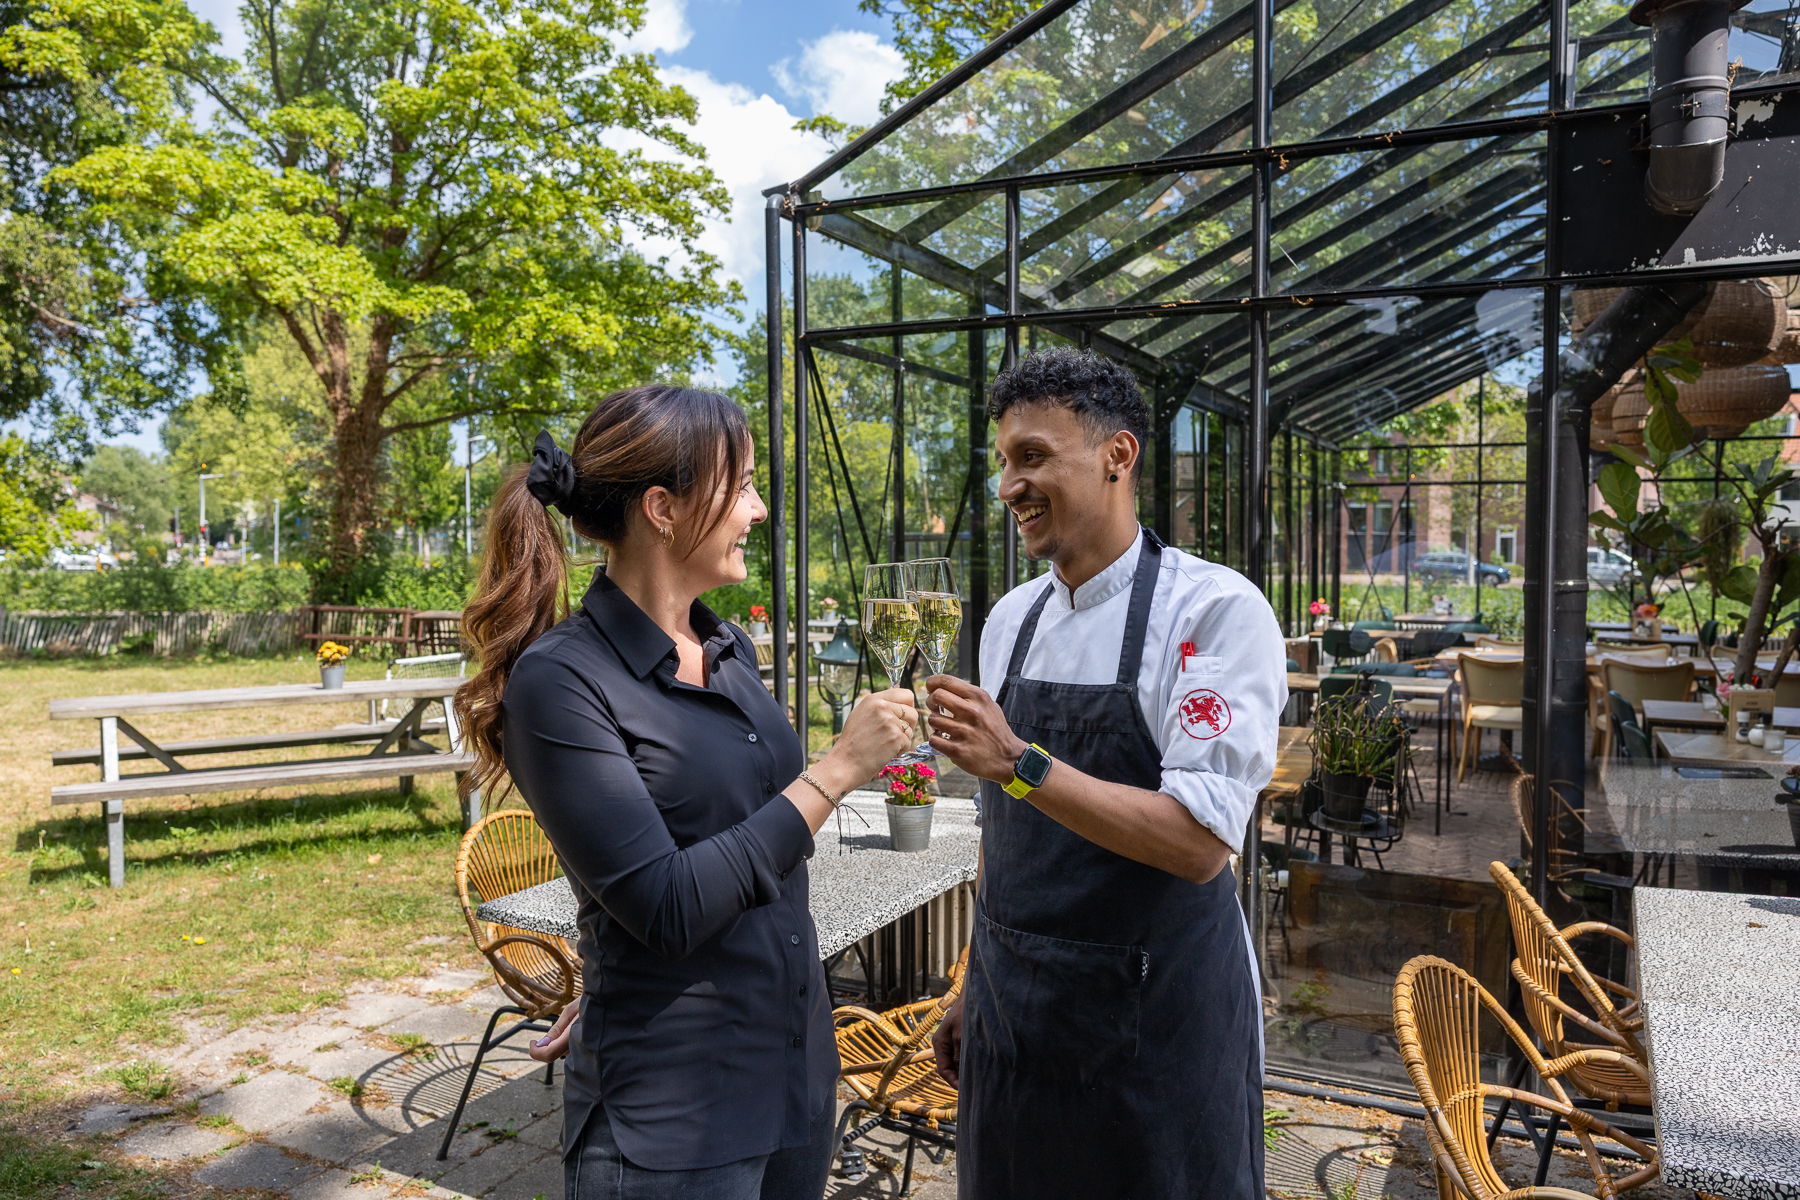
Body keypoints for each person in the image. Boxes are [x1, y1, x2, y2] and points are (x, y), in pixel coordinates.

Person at [453, 386, 919, 1200]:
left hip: (795, 1080)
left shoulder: (728, 644)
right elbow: (664, 904)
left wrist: (606, 981)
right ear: (662, 508)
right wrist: (839, 768)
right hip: (674, 1118)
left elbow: (741, 827)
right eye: (740, 485)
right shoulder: (563, 681)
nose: (760, 509)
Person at [924, 349, 1285, 1198]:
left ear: (1118, 456)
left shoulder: (1212, 612)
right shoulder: (1012, 617)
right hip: (1018, 1016)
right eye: (1005, 461)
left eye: (1034, 456)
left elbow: (1199, 842)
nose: (1009, 485)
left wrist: (1019, 762)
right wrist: (972, 982)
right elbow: (1001, 832)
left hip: (1155, 1030)